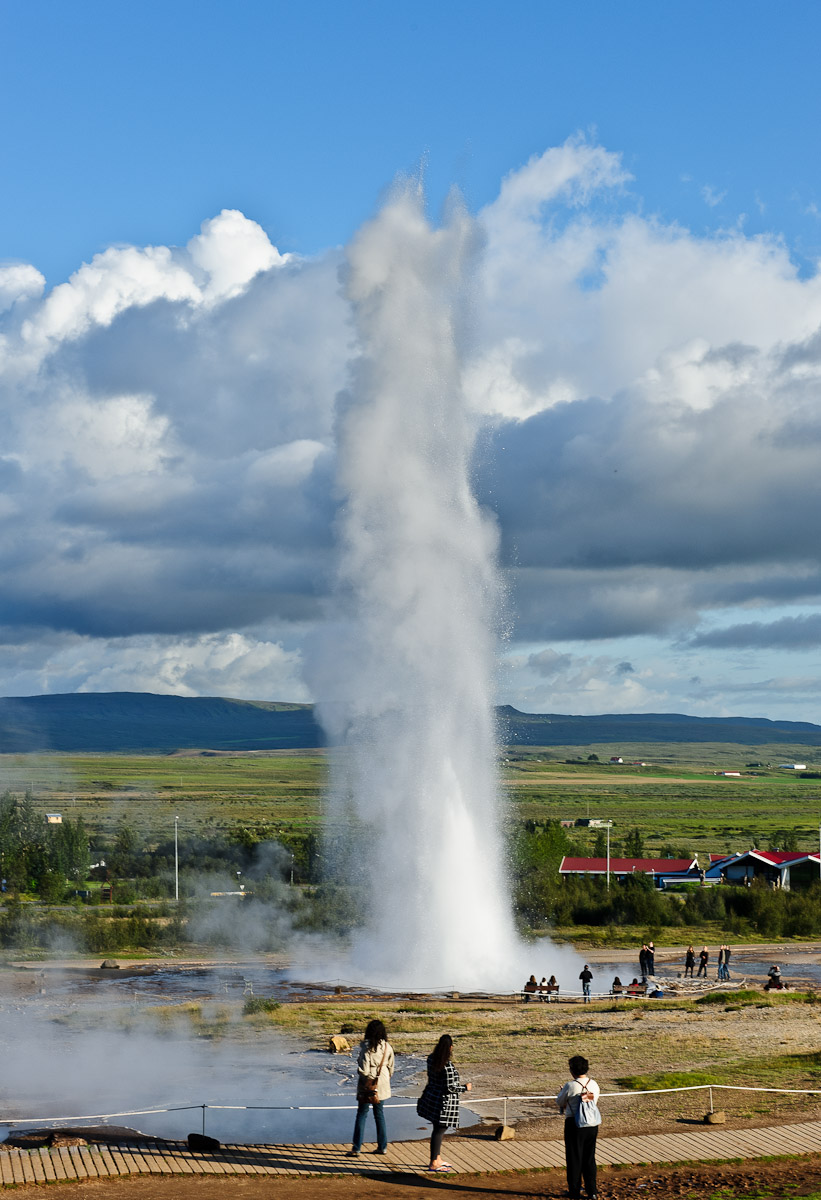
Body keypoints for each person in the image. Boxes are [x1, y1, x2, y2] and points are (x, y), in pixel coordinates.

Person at [416, 1033, 471, 1172]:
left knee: (437, 1128)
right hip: (444, 1103)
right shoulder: (447, 1066)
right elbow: (451, 1087)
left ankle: (437, 1157)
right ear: (450, 1048)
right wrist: (465, 1087)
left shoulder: (431, 1059)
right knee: (439, 1130)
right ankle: (434, 1162)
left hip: (432, 1098)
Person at [347, 1019, 395, 1157]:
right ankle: (382, 1147)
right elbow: (391, 1067)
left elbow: (363, 1070)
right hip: (383, 1081)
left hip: (368, 1083)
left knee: (362, 1114)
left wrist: (364, 1076)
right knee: (379, 1114)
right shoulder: (387, 1047)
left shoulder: (366, 1048)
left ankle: (356, 1148)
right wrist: (385, 1077)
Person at [556, 1054, 600, 1200]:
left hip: (574, 1124)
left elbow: (559, 1101)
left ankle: (574, 1191)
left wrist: (562, 1091)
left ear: (572, 1070)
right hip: (591, 1124)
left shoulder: (570, 1085)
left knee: (574, 1158)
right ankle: (592, 1190)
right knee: (589, 1157)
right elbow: (593, 1102)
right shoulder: (594, 1084)